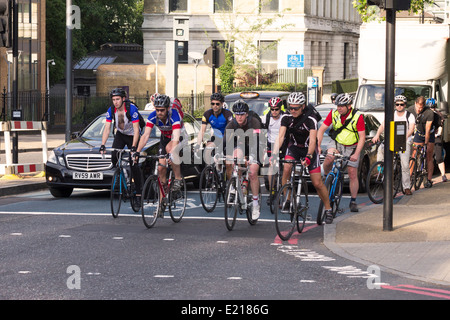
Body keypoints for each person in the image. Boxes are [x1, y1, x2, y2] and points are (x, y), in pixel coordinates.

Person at [271, 92, 333, 222]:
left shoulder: (311, 119)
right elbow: (281, 137)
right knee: (286, 168)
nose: (292, 110)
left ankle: (328, 209)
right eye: (290, 107)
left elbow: (312, 141)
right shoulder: (286, 117)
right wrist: (274, 154)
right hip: (294, 147)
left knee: (317, 183)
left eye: (296, 108)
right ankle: (288, 199)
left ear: (303, 106)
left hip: (308, 149)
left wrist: (309, 156)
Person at [135, 94, 188, 212]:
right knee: (160, 169)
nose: (159, 112)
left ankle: (178, 179)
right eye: (157, 110)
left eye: (162, 110)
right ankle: (161, 202)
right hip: (165, 137)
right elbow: (145, 136)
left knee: (171, 150)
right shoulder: (153, 116)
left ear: (168, 108)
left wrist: (172, 153)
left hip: (179, 136)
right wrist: (137, 152)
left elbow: (175, 137)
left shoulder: (174, 115)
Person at [317, 93, 366, 213]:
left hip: (352, 146)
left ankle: (353, 201)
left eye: (342, 106)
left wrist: (356, 154)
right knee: (329, 158)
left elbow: (362, 137)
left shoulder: (358, 116)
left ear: (349, 106)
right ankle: (327, 178)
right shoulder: (334, 114)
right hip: (337, 143)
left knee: (352, 173)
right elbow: (322, 129)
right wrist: (318, 145)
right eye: (338, 105)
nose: (339, 108)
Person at [100, 88, 143, 204]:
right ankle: (120, 176)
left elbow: (136, 129)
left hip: (133, 135)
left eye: (118, 99)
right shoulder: (111, 110)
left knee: (133, 163)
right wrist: (103, 145)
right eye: (113, 100)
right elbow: (107, 128)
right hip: (121, 134)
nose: (115, 102)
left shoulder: (131, 109)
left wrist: (134, 147)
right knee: (114, 156)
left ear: (123, 99)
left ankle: (138, 193)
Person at [224, 100, 265, 220]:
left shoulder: (254, 122)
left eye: (242, 114)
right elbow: (225, 142)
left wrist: (251, 158)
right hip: (241, 145)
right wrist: (219, 154)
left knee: (252, 172)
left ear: (247, 114)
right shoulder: (232, 124)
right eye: (237, 114)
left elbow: (257, 142)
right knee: (233, 158)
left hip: (256, 145)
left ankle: (256, 204)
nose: (239, 117)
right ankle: (236, 183)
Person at [371, 95, 415, 195]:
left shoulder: (409, 115)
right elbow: (383, 125)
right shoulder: (391, 114)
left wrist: (404, 137)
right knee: (381, 148)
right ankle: (381, 168)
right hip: (392, 140)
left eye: (401, 104)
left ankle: (406, 187)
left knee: (404, 165)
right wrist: (377, 135)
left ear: (405, 105)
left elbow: (411, 128)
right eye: (397, 104)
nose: (399, 106)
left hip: (404, 141)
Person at [263, 97, 288, 205]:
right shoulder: (266, 118)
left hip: (283, 144)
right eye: (272, 109)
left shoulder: (285, 118)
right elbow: (262, 131)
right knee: (270, 168)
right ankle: (272, 192)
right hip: (270, 144)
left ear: (280, 108)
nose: (274, 112)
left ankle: (284, 190)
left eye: (276, 109)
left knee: (286, 168)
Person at [196, 92, 234, 162]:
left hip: (228, 138)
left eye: (217, 104)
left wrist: (221, 147)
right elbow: (202, 131)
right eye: (213, 104)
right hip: (217, 138)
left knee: (227, 158)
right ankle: (209, 169)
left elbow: (230, 132)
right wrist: (198, 145)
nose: (215, 106)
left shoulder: (227, 114)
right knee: (207, 150)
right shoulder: (207, 114)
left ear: (222, 104)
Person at [408, 96, 435, 188]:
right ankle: (409, 178)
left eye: (421, 107)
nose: (419, 109)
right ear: (415, 104)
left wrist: (426, 142)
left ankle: (429, 179)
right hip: (419, 133)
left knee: (429, 155)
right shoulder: (410, 110)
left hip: (429, 134)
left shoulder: (429, 112)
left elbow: (428, 129)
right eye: (418, 107)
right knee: (414, 154)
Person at [427, 98, 447, 182]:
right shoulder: (424, 114)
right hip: (426, 137)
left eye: (434, 107)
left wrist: (437, 134)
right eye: (430, 107)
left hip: (435, 137)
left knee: (438, 157)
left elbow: (440, 127)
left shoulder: (438, 115)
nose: (432, 109)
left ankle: (443, 175)